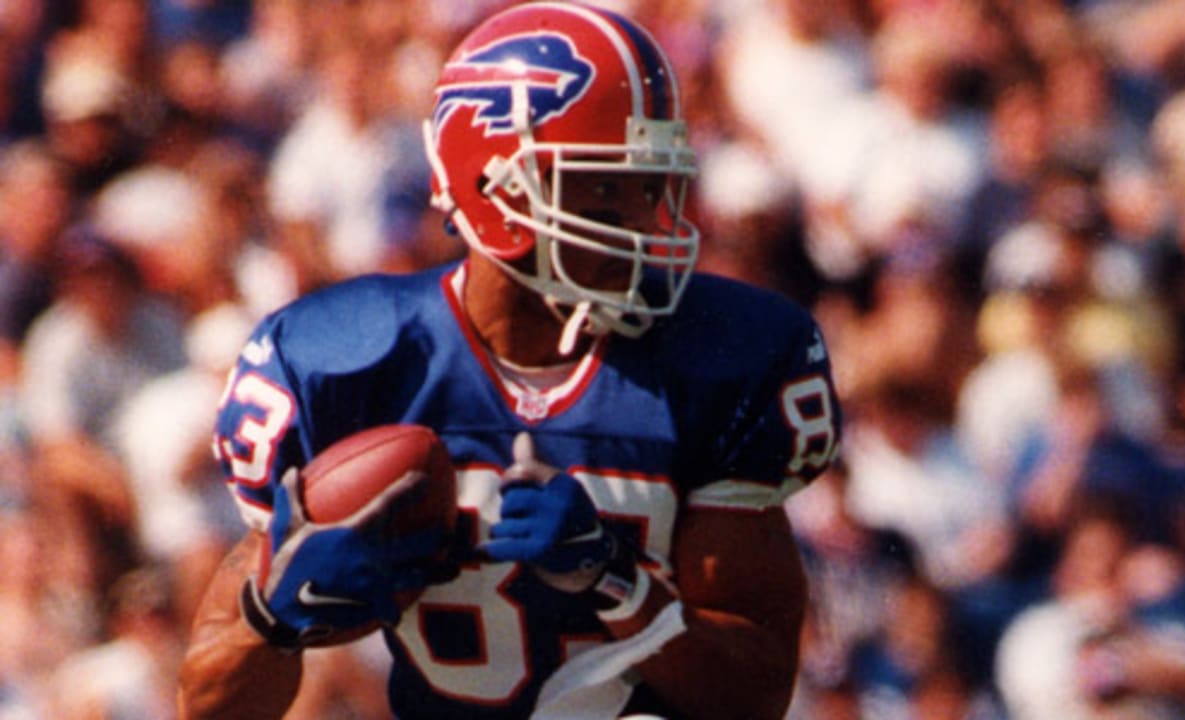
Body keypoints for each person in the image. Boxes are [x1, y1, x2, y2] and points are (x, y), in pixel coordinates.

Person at [176, 4, 840, 720]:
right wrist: (274, 617)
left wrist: (614, 579)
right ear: (499, 188)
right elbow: (210, 709)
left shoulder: (723, 361)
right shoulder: (344, 367)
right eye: (605, 189)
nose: (644, 225)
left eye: (651, 188)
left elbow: (754, 693)